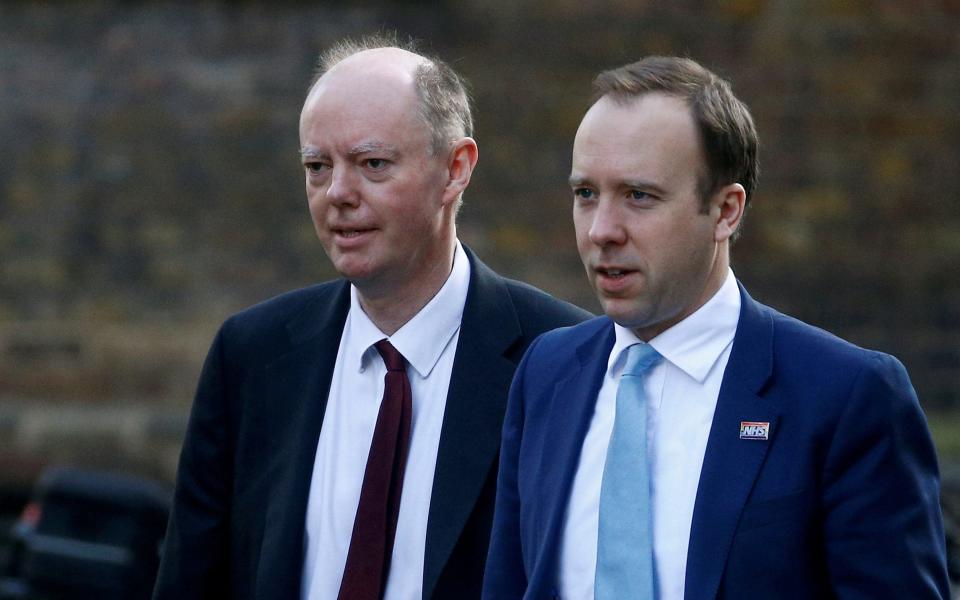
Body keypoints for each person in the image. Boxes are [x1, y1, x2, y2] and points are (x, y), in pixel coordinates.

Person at [483, 56, 948, 599]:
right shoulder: (547, 372)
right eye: (586, 194)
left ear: (725, 211)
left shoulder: (846, 396)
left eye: (639, 195)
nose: (602, 230)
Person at [153, 35, 590, 600]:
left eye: (372, 164)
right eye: (317, 166)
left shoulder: (562, 357)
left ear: (456, 168)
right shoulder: (252, 354)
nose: (337, 193)